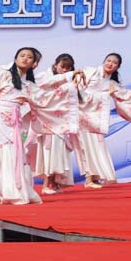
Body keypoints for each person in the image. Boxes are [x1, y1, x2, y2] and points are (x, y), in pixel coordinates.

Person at [0, 47, 100, 205]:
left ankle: (10, 191)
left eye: (29, 57)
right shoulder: (2, 74)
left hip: (13, 122)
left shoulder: (29, 85)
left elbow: (46, 92)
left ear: (34, 63)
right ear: (15, 58)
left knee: (13, 154)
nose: (25, 58)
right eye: (22, 55)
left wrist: (69, 77)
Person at [75, 53, 131, 188]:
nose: (110, 64)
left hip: (96, 118)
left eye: (114, 63)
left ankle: (95, 178)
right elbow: (77, 89)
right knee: (87, 147)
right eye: (108, 60)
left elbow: (127, 95)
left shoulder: (111, 84)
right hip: (83, 115)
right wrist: (104, 94)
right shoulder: (90, 72)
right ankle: (89, 180)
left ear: (117, 67)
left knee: (98, 146)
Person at [32, 54, 82, 194]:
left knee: (59, 153)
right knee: (49, 152)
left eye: (69, 68)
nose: (65, 70)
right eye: (62, 66)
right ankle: (46, 184)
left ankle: (55, 183)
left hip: (61, 122)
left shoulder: (71, 80)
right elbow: (39, 91)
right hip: (47, 121)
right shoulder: (44, 77)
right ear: (55, 65)